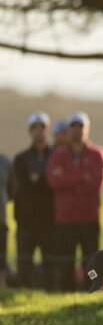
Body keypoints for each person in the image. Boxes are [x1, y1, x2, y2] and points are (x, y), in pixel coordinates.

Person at [47, 111, 103, 291]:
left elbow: (96, 183)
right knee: (66, 261)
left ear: (87, 129)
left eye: (80, 126)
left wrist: (67, 178)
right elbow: (54, 181)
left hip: (89, 219)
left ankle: (90, 289)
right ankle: (67, 292)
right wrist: (82, 177)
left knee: (90, 263)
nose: (76, 130)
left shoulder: (97, 154)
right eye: (73, 126)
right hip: (65, 220)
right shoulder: (59, 155)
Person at [13, 112, 56, 289]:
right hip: (26, 222)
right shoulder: (21, 159)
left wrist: (38, 180)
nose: (39, 131)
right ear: (30, 131)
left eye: (42, 127)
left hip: (50, 221)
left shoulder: (57, 156)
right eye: (35, 127)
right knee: (25, 266)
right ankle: (23, 297)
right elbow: (21, 187)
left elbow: (52, 184)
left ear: (47, 130)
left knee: (50, 266)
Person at [0, 150, 13, 288]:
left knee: (1, 261)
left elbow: (12, 189)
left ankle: (2, 288)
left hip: (0, 218)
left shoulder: (5, 162)